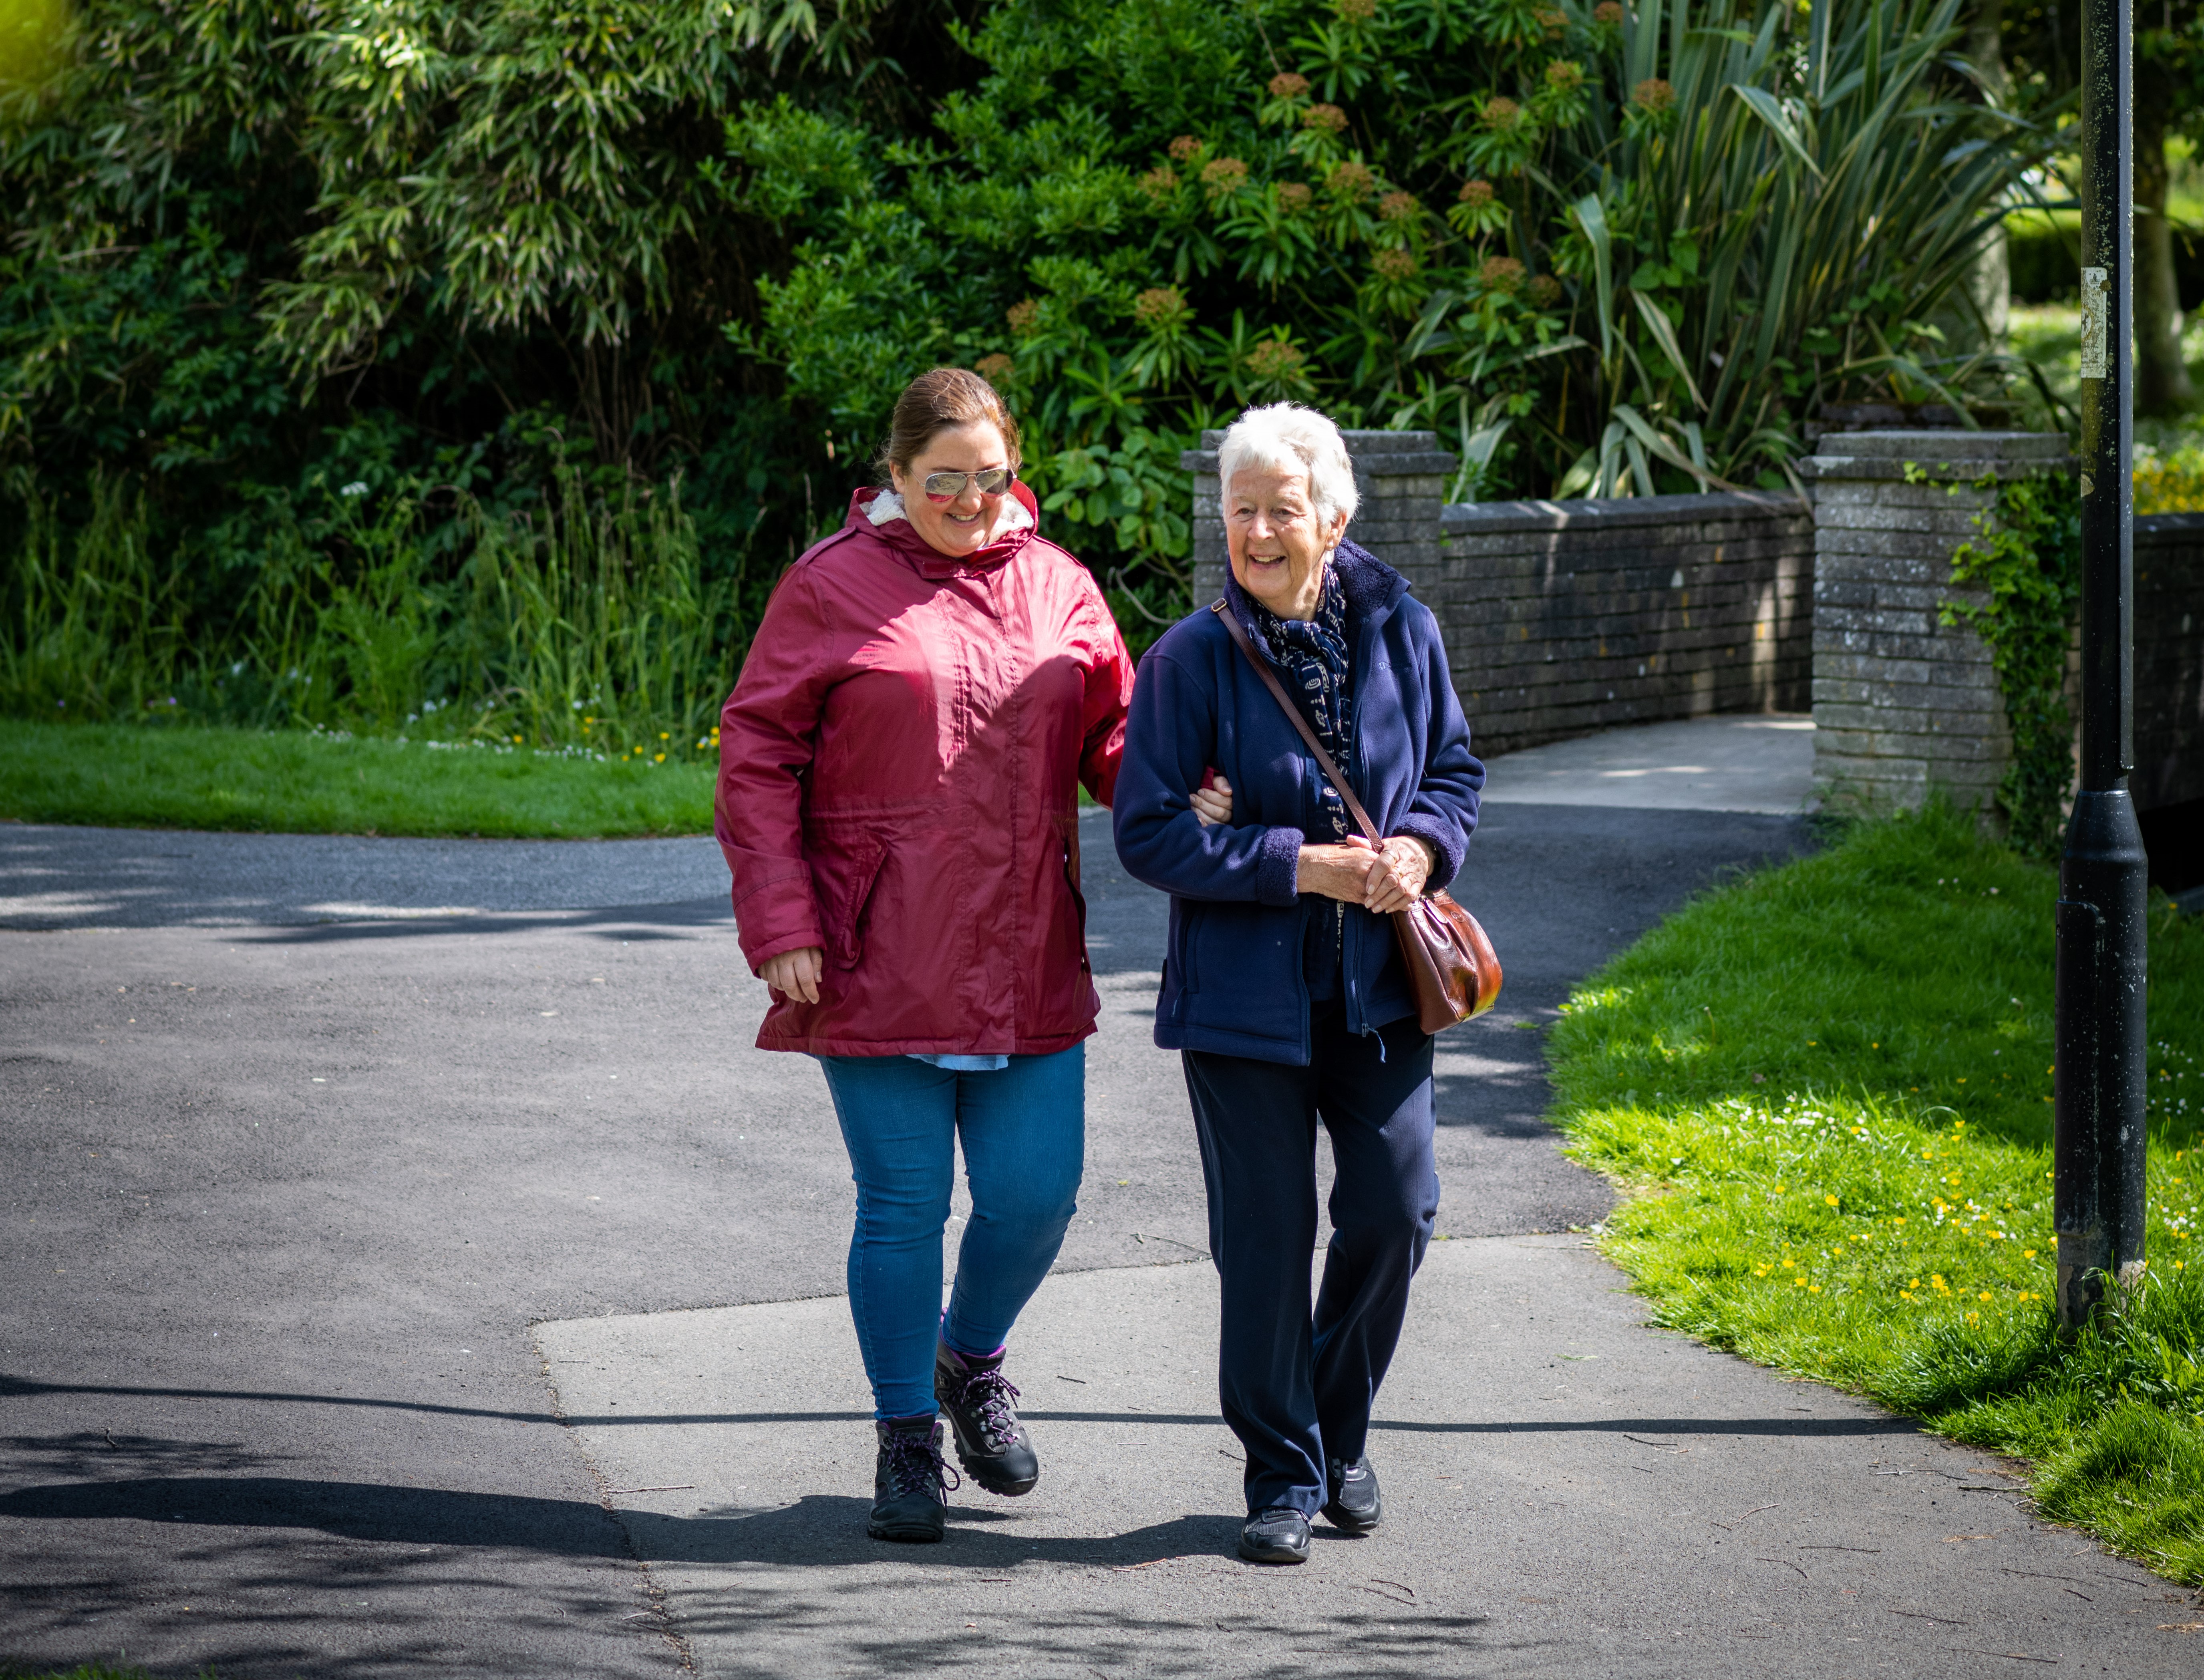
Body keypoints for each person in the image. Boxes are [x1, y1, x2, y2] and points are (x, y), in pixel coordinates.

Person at [716, 367, 1230, 1545]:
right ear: (893, 478)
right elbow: (756, 754)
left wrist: (1179, 787)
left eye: (987, 478)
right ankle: (907, 1433)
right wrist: (780, 922)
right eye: (939, 479)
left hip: (1024, 945)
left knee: (1035, 1195)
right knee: (902, 1204)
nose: (967, 499)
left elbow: (1113, 731)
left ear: (1015, 471)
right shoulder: (830, 585)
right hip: (872, 946)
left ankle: (970, 1356)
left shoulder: (1061, 585)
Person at [1112, 402, 1484, 1565]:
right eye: (1241, 510)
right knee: (1265, 1243)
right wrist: (1300, 863)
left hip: (1379, 994)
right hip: (1241, 1005)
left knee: (1393, 1208)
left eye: (1283, 508)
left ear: (1334, 514)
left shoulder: (1403, 628)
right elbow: (1148, 833)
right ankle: (1282, 1472)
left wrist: (1421, 846)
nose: (1260, 531)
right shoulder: (1190, 659)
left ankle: (1338, 1425)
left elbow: (1455, 768)